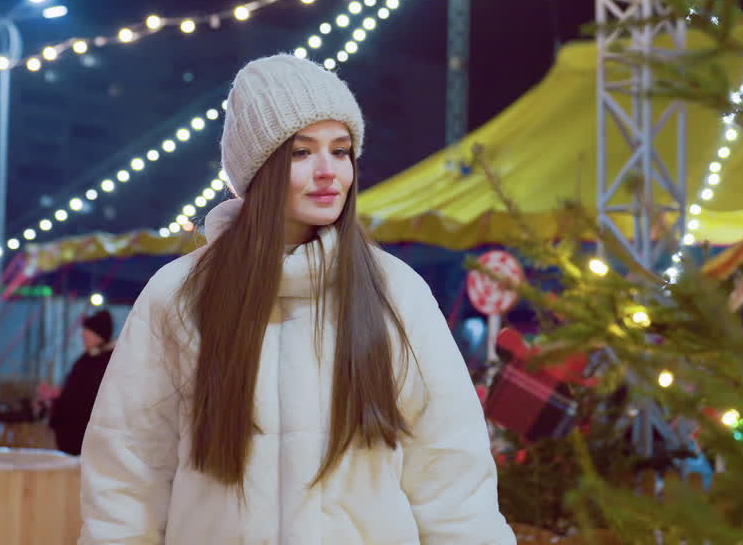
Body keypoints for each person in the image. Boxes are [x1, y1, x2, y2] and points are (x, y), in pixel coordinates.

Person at [80, 54, 514, 544]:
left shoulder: (395, 292)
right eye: (301, 153)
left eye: (342, 150)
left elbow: (452, 479)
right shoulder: (179, 294)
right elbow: (128, 476)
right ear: (258, 167)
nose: (329, 172)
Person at [50, 309, 115, 455]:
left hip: (88, 436)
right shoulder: (86, 359)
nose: (82, 334)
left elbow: (90, 396)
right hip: (73, 435)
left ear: (98, 334)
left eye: (87, 331)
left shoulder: (106, 362)